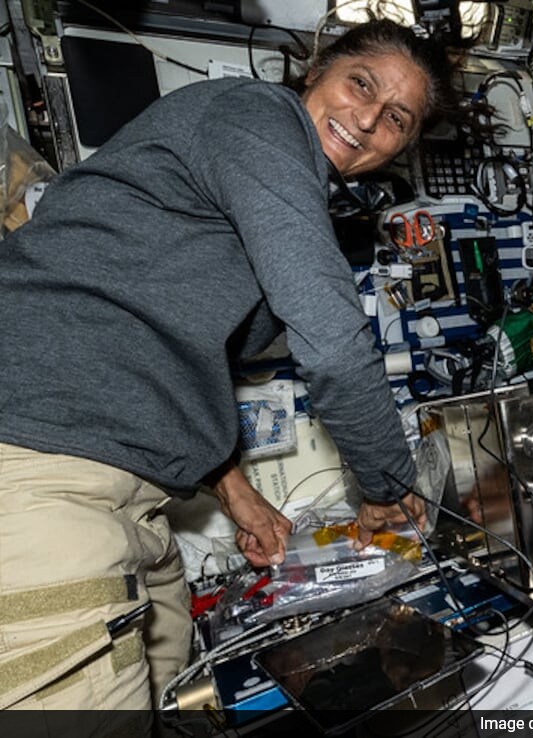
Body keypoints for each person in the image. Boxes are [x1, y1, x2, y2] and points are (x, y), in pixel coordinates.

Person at [0, 19, 455, 714]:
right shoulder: (256, 114)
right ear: (315, 72)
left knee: (179, 694)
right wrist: (388, 486)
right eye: (361, 85)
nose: (367, 120)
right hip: (39, 474)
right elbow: (333, 343)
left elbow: (167, 350)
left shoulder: (268, 189)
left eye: (396, 118)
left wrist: (236, 492)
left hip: (129, 496)